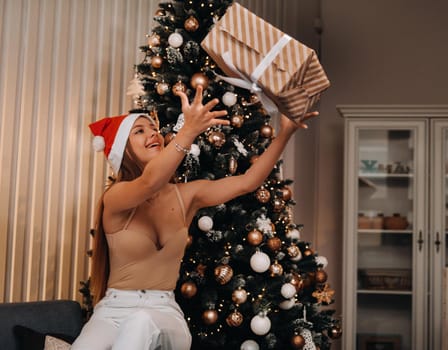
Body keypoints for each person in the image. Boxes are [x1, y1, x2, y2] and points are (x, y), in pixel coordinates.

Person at [71, 85, 317, 350]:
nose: (153, 133)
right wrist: (187, 131)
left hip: (162, 311)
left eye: (153, 128)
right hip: (112, 310)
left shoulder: (186, 196)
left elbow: (247, 182)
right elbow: (149, 183)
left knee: (140, 323)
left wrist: (286, 132)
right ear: (124, 151)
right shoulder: (116, 197)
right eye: (139, 132)